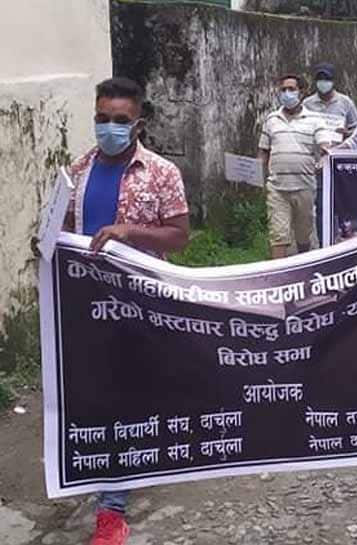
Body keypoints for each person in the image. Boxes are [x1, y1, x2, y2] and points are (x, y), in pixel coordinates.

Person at [64, 77, 190, 545]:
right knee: (104, 393)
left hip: (141, 302)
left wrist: (129, 231)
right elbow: (62, 227)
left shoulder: (161, 173)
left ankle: (111, 509)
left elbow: (179, 236)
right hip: (87, 304)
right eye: (102, 119)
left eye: (120, 120)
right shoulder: (77, 169)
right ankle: (113, 468)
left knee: (121, 393)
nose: (109, 127)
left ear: (138, 122)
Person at [259, 74, 330, 259]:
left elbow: (325, 147)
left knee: (303, 235)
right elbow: (263, 151)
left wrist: (324, 159)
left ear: (302, 92)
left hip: (305, 187)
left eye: (291, 89)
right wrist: (262, 176)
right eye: (283, 90)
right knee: (278, 235)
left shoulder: (315, 120)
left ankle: (301, 267)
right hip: (277, 188)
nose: (287, 93)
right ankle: (279, 278)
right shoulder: (271, 119)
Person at [302, 62, 357, 142]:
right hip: (314, 150)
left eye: (327, 78)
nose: (323, 82)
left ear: (334, 81)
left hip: (339, 151)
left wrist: (347, 133)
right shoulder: (307, 104)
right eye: (320, 78)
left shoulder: (346, 102)